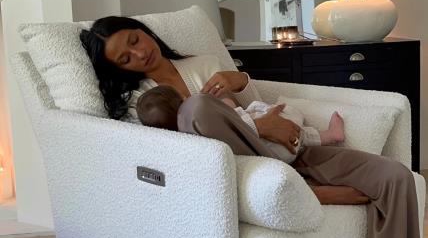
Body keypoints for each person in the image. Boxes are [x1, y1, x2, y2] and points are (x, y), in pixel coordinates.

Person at [80, 15, 428, 238]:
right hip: (247, 173)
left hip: (287, 151)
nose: (139, 54)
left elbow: (257, 102)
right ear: (120, 69)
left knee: (395, 177)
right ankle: (309, 192)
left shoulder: (202, 65)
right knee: (197, 107)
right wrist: (260, 127)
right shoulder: (137, 102)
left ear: (144, 32)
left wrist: (241, 80)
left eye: (135, 41)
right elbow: (174, 158)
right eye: (125, 58)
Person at [135, 83, 346, 165]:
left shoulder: (188, 143)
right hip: (276, 151)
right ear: (183, 98)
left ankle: (325, 137)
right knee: (276, 110)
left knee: (256, 111)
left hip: (273, 160)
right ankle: (328, 135)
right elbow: (238, 124)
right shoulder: (200, 115)